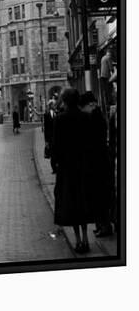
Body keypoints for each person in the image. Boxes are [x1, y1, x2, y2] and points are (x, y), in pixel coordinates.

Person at [52, 88, 96, 254]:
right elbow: (90, 142)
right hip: (83, 166)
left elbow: (56, 146)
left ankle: (78, 241)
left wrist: (56, 163)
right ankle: (86, 238)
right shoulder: (86, 117)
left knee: (72, 205)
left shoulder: (60, 119)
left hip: (67, 169)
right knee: (84, 203)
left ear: (65, 101)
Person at [79, 91, 113, 237]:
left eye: (84, 107)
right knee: (98, 196)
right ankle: (101, 225)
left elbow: (92, 141)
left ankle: (104, 226)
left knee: (100, 197)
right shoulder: (95, 115)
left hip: (97, 164)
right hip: (98, 162)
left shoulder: (95, 117)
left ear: (90, 104)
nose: (83, 110)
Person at [43, 99, 57, 174]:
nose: (55, 106)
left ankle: (57, 167)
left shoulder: (57, 113)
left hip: (57, 137)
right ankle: (54, 168)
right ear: (51, 105)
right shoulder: (47, 115)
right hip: (50, 138)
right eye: (54, 105)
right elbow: (46, 128)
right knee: (52, 154)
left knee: (57, 153)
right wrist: (46, 141)